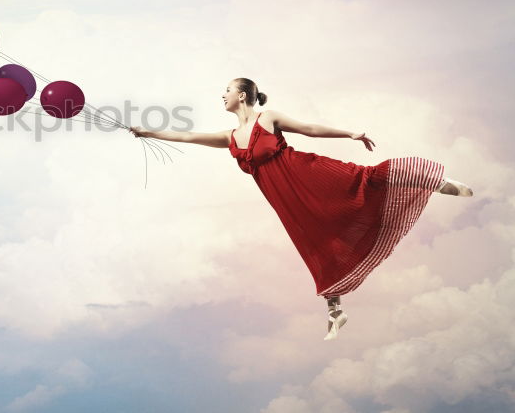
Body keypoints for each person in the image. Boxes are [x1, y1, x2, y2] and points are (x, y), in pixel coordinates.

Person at [129, 77, 473, 340]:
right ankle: (335, 310)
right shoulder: (230, 137)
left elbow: (309, 129)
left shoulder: (268, 119)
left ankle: (433, 180)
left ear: (243, 95)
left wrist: (350, 134)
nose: (223, 95)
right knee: (316, 245)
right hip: (288, 201)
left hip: (309, 174)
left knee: (363, 180)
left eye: (228, 90)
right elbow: (188, 137)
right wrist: (148, 132)